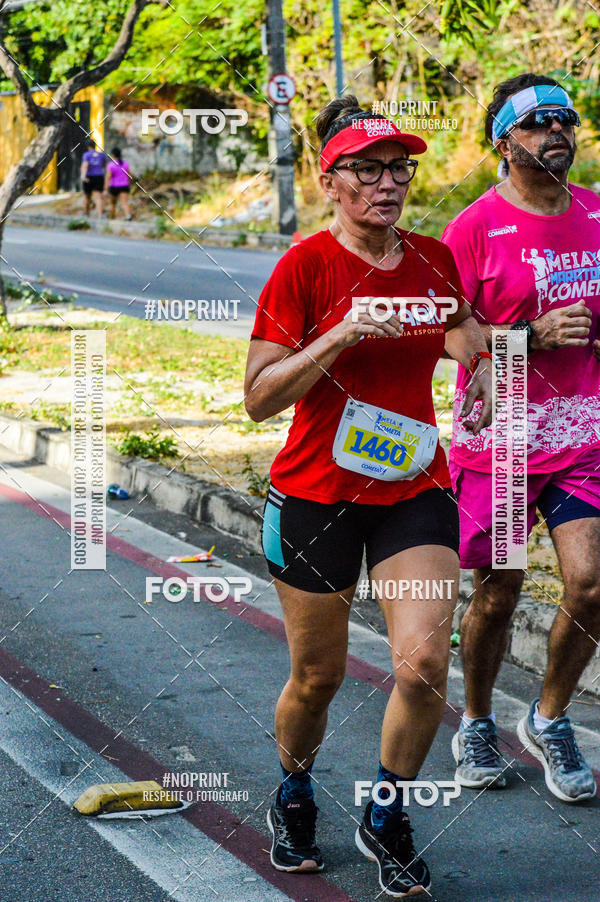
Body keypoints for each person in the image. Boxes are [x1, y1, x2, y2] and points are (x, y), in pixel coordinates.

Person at [245, 94, 493, 897]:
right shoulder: (304, 268)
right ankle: (293, 787)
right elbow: (258, 396)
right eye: (367, 170)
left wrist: (479, 365)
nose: (387, 183)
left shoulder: (430, 257)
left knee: (423, 664)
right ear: (332, 183)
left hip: (413, 488)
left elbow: (457, 326)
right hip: (316, 495)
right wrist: (343, 332)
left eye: (399, 169)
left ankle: (387, 811)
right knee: (317, 678)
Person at [442, 73, 600, 804]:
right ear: (504, 141)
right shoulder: (472, 229)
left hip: (584, 432)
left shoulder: (598, 214)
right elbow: (450, 339)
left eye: (565, 118)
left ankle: (549, 716)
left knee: (592, 585)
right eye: (537, 123)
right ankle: (475, 720)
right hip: (502, 436)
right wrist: (528, 338)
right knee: (499, 590)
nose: (556, 131)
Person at [104, 147, 132, 220]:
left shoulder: (111, 165)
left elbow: (108, 177)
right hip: (124, 185)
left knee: (113, 204)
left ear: (113, 155)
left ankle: (112, 218)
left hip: (114, 186)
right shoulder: (126, 163)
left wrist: (106, 188)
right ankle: (128, 216)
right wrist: (127, 181)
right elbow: (130, 175)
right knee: (125, 202)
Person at [81, 140, 106, 217]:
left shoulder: (86, 155)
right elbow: (104, 165)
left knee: (87, 197)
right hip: (99, 176)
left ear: (88, 146)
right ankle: (100, 215)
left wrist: (83, 176)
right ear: (95, 146)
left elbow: (85, 165)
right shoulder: (102, 155)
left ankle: (86, 214)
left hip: (89, 176)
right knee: (98, 197)